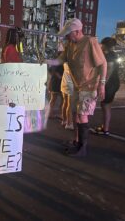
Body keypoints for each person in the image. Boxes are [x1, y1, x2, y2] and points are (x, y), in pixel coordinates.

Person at [46, 18, 107, 156]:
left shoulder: (90, 42)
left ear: (78, 31)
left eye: (69, 33)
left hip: (90, 86)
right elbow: (60, 60)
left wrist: (102, 85)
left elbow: (103, 63)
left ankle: (82, 148)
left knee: (82, 116)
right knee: (75, 114)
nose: (67, 36)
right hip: (77, 86)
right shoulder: (70, 45)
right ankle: (76, 141)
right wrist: (46, 61)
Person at [94, 37, 120, 136]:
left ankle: (105, 129)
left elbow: (108, 72)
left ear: (105, 45)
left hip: (109, 84)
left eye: (101, 44)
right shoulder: (113, 55)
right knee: (106, 106)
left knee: (105, 106)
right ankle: (105, 128)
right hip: (114, 83)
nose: (100, 45)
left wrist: (101, 86)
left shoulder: (108, 56)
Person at [61, 63, 75, 130]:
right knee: (70, 105)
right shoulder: (73, 62)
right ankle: (69, 123)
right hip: (71, 84)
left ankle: (64, 120)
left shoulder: (65, 61)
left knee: (65, 102)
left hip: (64, 83)